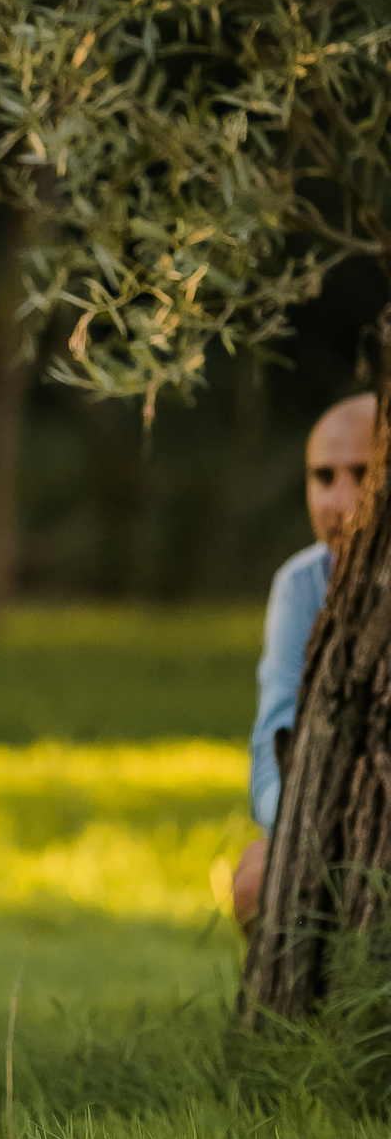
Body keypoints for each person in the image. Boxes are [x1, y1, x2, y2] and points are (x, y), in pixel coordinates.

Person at [232, 391, 376, 929]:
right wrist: (305, 829)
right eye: (324, 476)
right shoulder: (301, 586)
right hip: (328, 820)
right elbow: (273, 736)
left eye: (364, 474)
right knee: (254, 881)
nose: (341, 502)